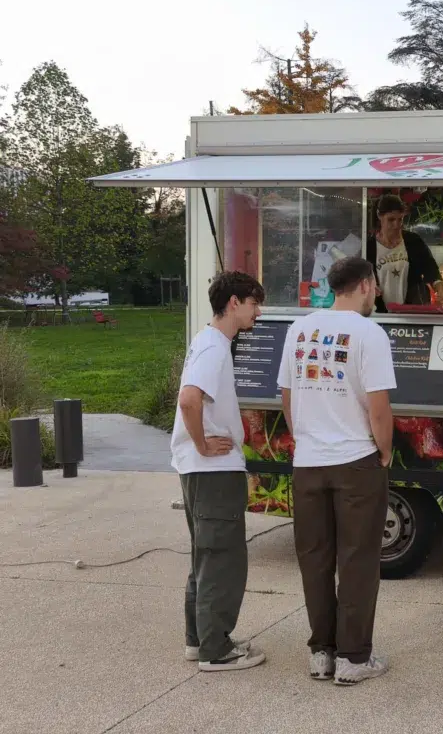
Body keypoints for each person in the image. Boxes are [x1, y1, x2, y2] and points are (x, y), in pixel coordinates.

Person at [276, 256, 397, 686]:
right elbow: (379, 407)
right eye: (376, 287)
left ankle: (321, 653)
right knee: (358, 559)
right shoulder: (370, 333)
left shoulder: (299, 329)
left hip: (308, 463)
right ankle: (353, 657)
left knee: (315, 559)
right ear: (365, 284)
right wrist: (384, 453)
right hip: (356, 461)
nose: (376, 294)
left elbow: (287, 399)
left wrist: (306, 438)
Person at [172, 270, 267, 672]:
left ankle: (200, 640)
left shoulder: (206, 339)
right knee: (223, 560)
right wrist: (203, 444)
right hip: (213, 471)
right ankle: (216, 649)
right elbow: (189, 400)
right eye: (253, 304)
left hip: (197, 472)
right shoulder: (215, 348)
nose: (257, 313)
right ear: (234, 303)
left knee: (205, 557)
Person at [366, 193, 443, 311]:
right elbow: (360, 276)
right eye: (391, 219)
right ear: (379, 216)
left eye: (400, 219)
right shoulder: (369, 246)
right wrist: (369, 286)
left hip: (412, 309)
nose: (397, 225)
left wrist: (441, 291)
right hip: (380, 311)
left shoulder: (413, 241)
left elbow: (431, 269)